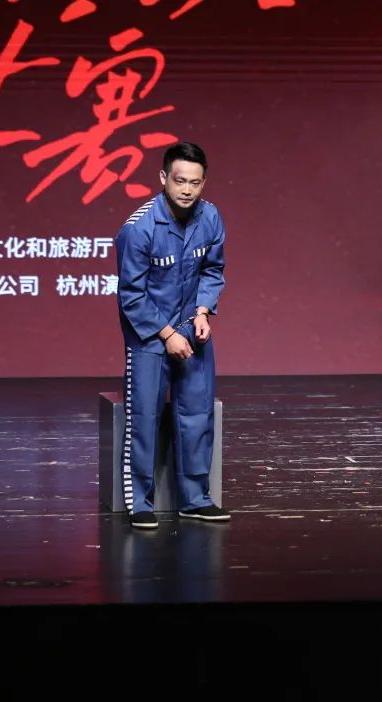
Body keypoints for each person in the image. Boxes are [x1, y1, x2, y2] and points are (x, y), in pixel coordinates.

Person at [115, 141, 230, 528]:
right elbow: (132, 296)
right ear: (163, 178)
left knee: (197, 414)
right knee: (143, 416)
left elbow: (212, 271)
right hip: (148, 336)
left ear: (204, 182)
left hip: (192, 330)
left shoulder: (210, 217)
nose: (187, 190)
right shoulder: (138, 229)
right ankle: (140, 502)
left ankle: (195, 499)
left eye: (195, 183)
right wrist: (166, 334)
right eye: (179, 181)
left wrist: (203, 311)